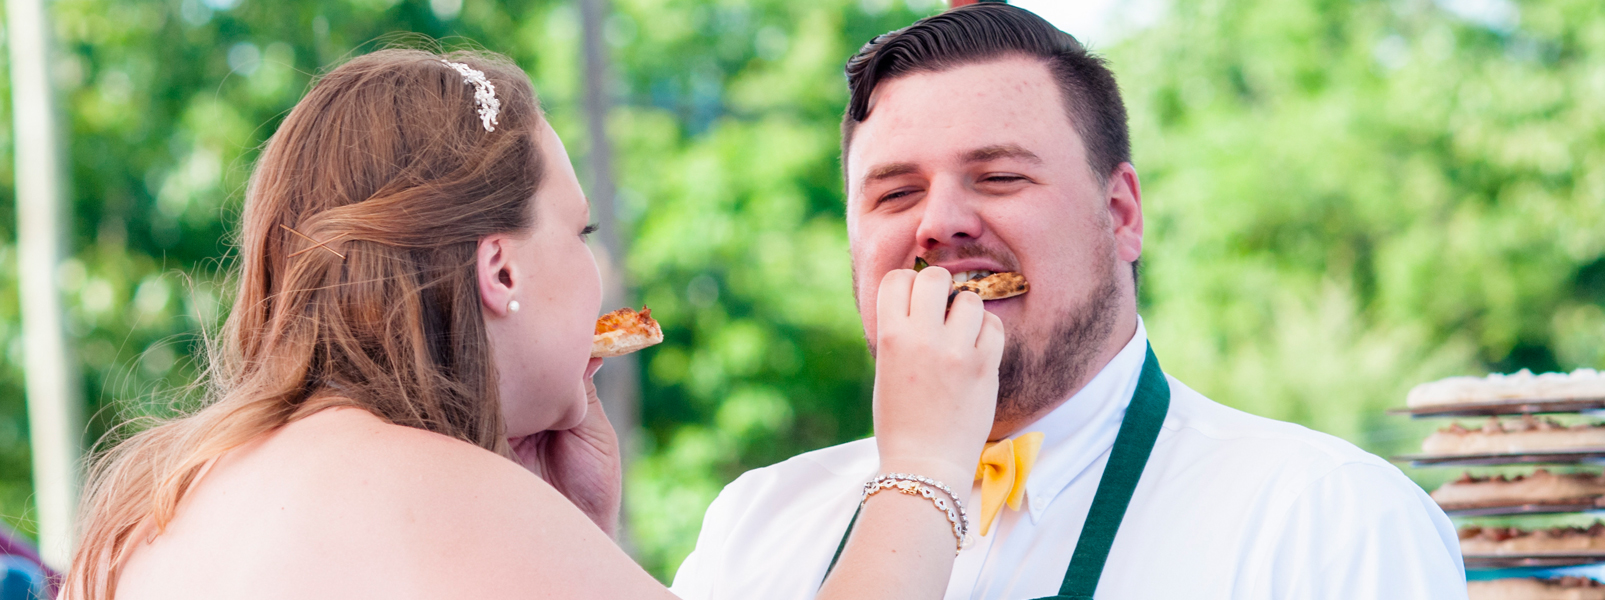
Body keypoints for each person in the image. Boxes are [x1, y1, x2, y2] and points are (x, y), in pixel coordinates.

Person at [67, 49, 1004, 600]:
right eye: (580, 229)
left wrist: (577, 536)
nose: (597, 269)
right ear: (502, 268)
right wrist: (922, 465)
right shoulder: (427, 484)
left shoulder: (169, 495)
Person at [671, 5, 1467, 599]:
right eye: (895, 192)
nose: (940, 222)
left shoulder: (1325, 519)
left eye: (1000, 177)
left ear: (1121, 215)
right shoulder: (754, 527)